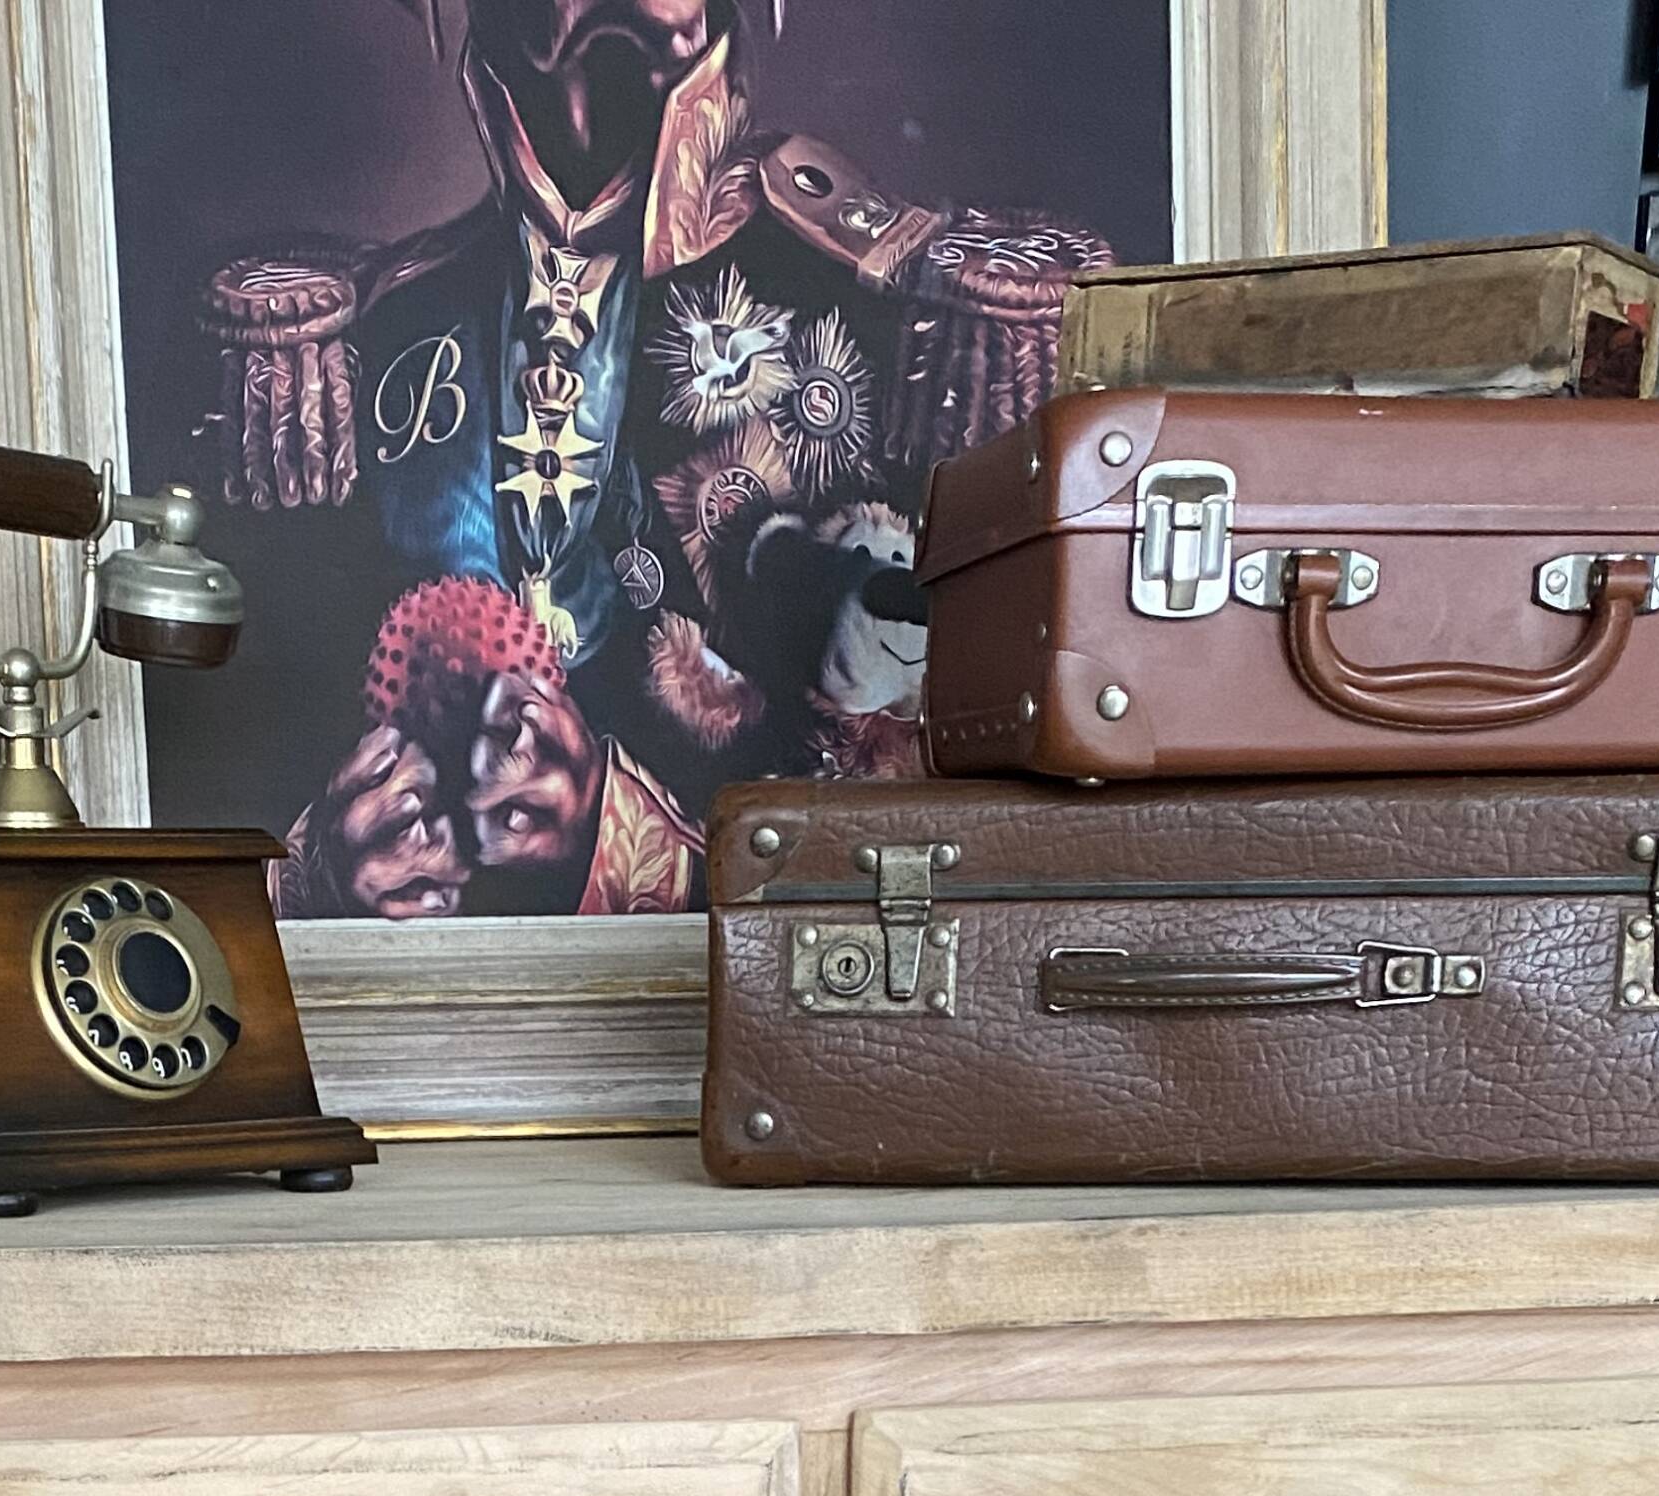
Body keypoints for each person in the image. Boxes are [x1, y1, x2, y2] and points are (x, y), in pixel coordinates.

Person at [202, 0, 1107, 915]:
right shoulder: (350, 335)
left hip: (770, 1030)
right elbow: (233, 770)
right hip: (428, 1028)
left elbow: (967, 862)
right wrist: (329, 870)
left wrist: (614, 835)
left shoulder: (928, 319)